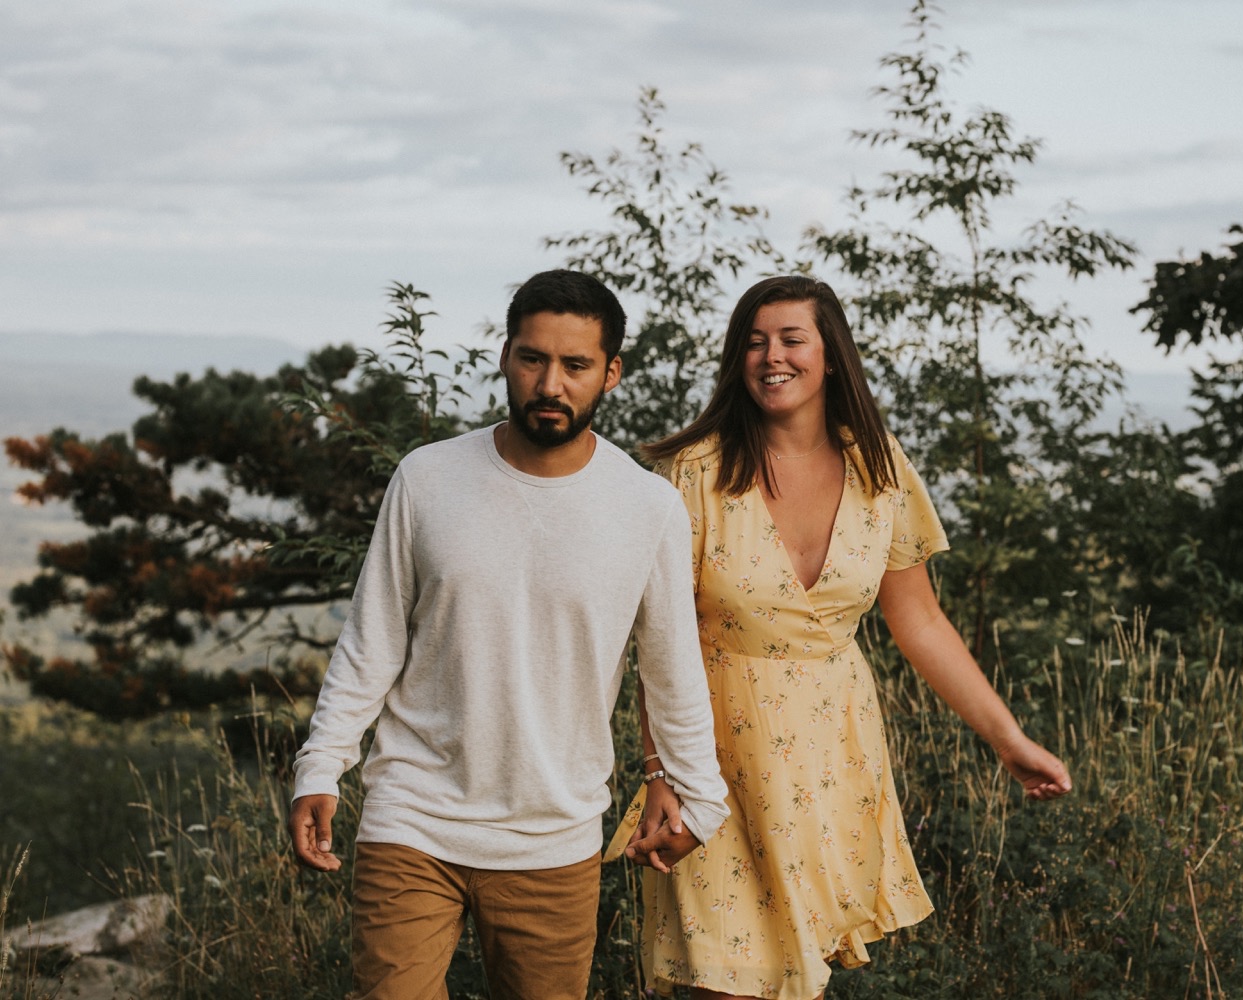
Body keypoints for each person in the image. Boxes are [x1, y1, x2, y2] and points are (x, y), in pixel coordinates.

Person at [614, 275, 1072, 1000]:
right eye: (754, 343)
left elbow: (919, 622)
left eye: (792, 339)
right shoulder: (691, 473)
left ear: (831, 355)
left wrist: (1008, 739)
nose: (772, 357)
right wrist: (660, 773)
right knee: (721, 980)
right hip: (712, 756)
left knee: (798, 976)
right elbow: (658, 639)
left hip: (832, 752)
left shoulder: (878, 468)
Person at [288, 268, 729, 1000]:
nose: (549, 383)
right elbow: (372, 644)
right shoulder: (427, 479)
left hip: (553, 836)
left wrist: (701, 799)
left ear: (611, 374)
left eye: (575, 365)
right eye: (533, 359)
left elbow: (671, 667)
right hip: (414, 818)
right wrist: (320, 764)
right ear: (505, 356)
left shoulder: (647, 507)